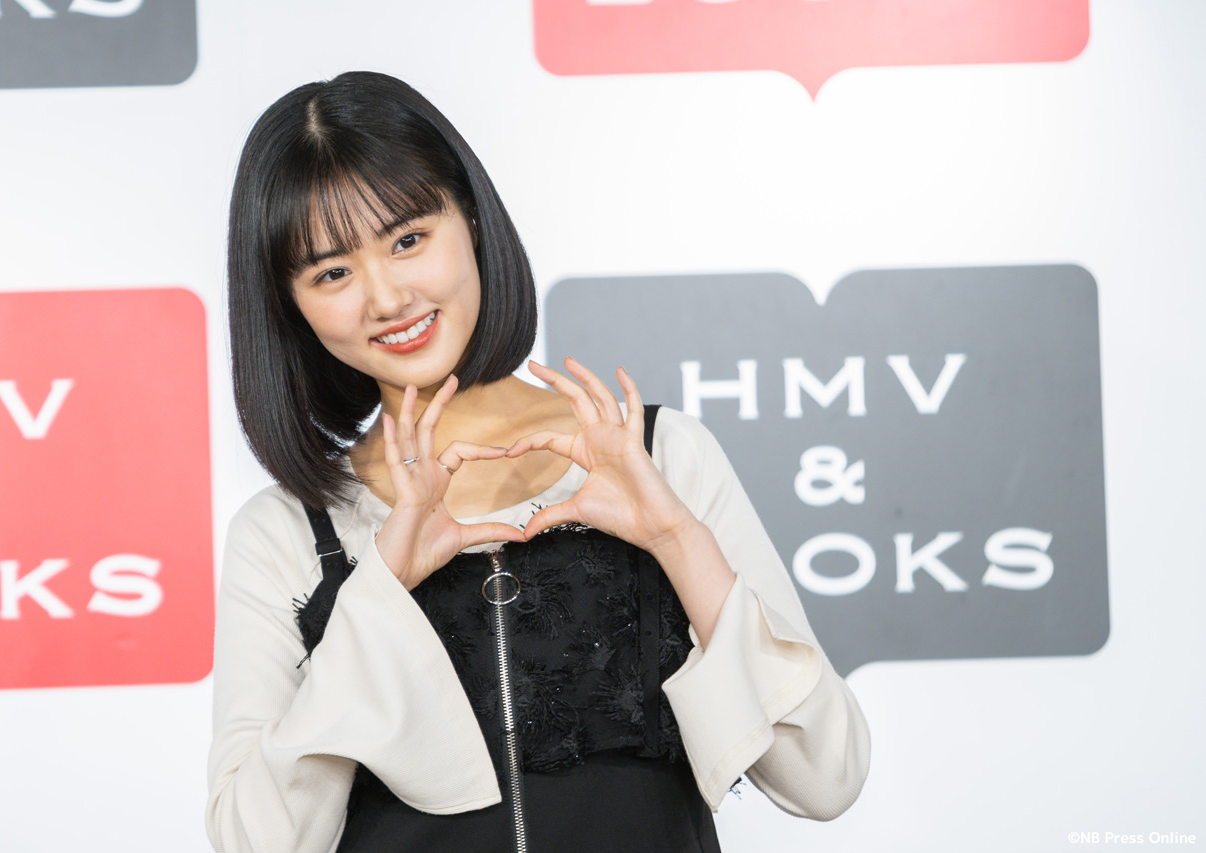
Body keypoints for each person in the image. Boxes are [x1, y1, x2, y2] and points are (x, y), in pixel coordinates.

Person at [206, 70, 870, 853]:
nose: (385, 298)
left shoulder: (660, 456)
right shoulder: (286, 533)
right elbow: (257, 842)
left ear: (470, 219)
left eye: (408, 240)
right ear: (290, 304)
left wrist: (674, 540)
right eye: (332, 273)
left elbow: (826, 776)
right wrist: (377, 588)